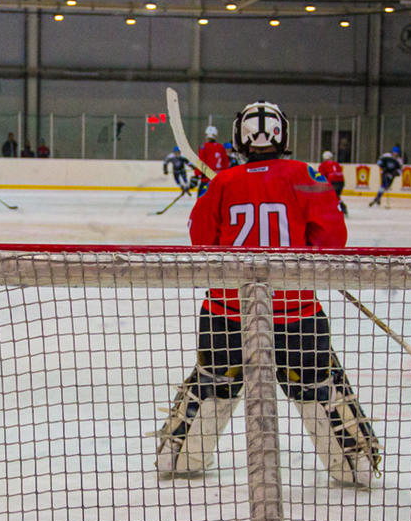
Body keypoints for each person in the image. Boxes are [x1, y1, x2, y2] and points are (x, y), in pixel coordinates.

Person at [155, 100, 381, 487]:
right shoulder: (305, 174)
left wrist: (223, 190)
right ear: (283, 135)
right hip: (295, 309)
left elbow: (201, 240)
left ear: (238, 138)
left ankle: (178, 456)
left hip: (227, 309)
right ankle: (353, 463)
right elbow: (333, 240)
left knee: (214, 380)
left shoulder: (223, 182)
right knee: (316, 384)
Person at [195, 125, 229, 197]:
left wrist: (197, 174)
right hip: (219, 181)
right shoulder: (221, 147)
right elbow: (226, 164)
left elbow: (201, 162)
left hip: (207, 181)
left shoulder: (203, 147)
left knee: (201, 200)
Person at [319, 150, 347, 216]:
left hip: (333, 182)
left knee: (330, 197)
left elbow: (321, 176)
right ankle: (341, 208)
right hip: (341, 183)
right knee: (336, 196)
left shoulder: (323, 165)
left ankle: (341, 208)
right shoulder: (336, 164)